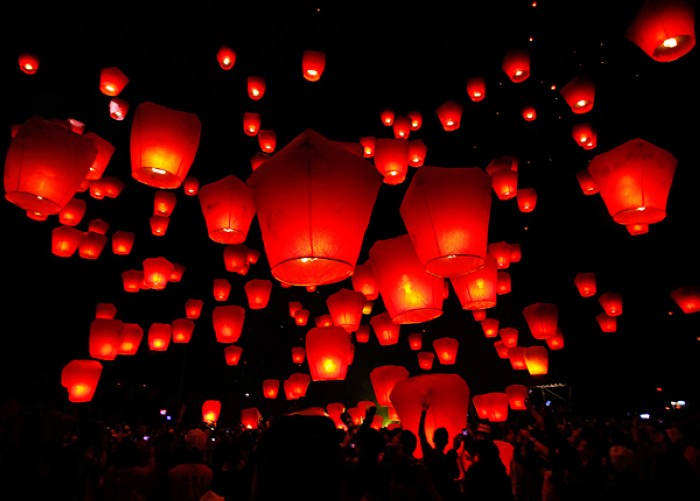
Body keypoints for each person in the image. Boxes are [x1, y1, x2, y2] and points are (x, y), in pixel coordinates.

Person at [418, 390, 462, 501]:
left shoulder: (428, 453)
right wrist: (454, 449)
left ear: (433, 439)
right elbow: (455, 474)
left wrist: (424, 411)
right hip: (445, 495)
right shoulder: (448, 458)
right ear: (447, 441)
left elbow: (421, 434)